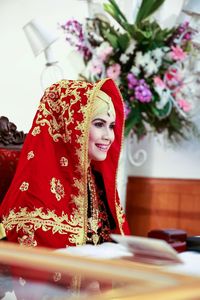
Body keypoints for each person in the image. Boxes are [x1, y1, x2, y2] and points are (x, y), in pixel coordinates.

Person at [0, 78, 130, 249]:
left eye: (112, 126)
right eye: (99, 124)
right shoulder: (34, 187)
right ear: (71, 127)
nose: (109, 136)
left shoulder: (97, 182)